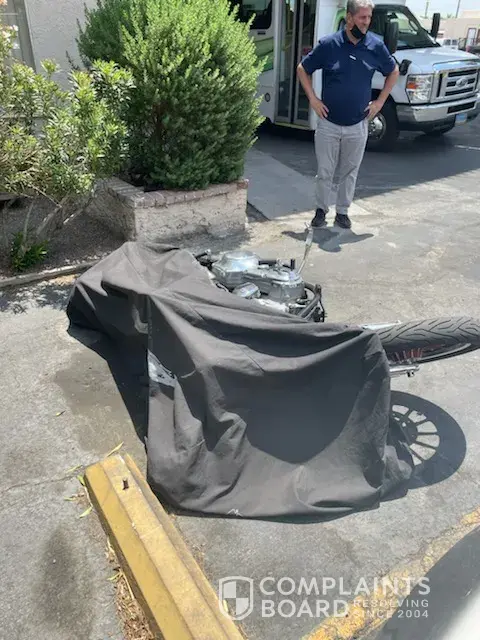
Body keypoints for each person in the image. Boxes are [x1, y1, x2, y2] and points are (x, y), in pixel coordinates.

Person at [297, 0, 399, 229]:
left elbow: (393, 71)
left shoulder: (375, 46)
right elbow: (303, 68)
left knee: (349, 172)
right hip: (328, 123)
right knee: (325, 171)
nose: (366, 22)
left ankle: (342, 212)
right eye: (362, 17)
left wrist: (380, 102)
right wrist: (313, 99)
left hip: (358, 124)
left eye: (369, 17)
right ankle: (321, 210)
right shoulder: (329, 45)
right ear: (349, 17)